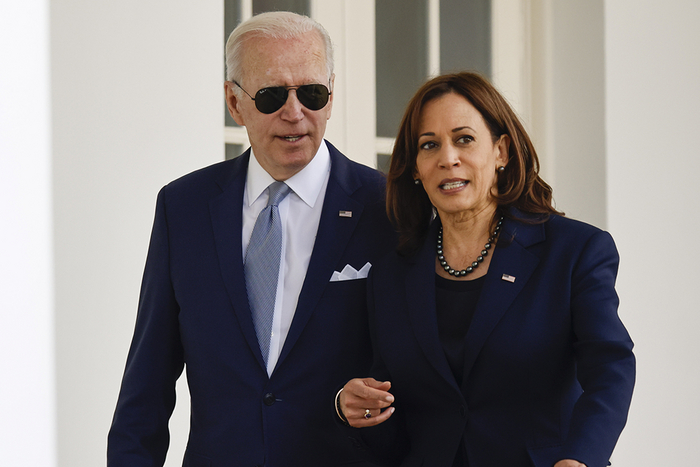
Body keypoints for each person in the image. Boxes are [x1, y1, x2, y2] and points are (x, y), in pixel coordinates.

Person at [107, 11, 395, 467]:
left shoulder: (387, 207)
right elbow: (148, 380)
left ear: (332, 95)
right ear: (233, 101)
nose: (295, 112)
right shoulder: (183, 207)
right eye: (272, 95)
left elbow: (422, 372)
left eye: (313, 93)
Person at [337, 72, 635, 467]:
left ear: (501, 152)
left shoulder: (575, 251)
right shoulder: (391, 276)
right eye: (429, 146)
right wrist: (358, 410)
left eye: (464, 139)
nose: (448, 158)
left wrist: (580, 459)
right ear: (415, 169)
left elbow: (611, 369)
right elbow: (393, 414)